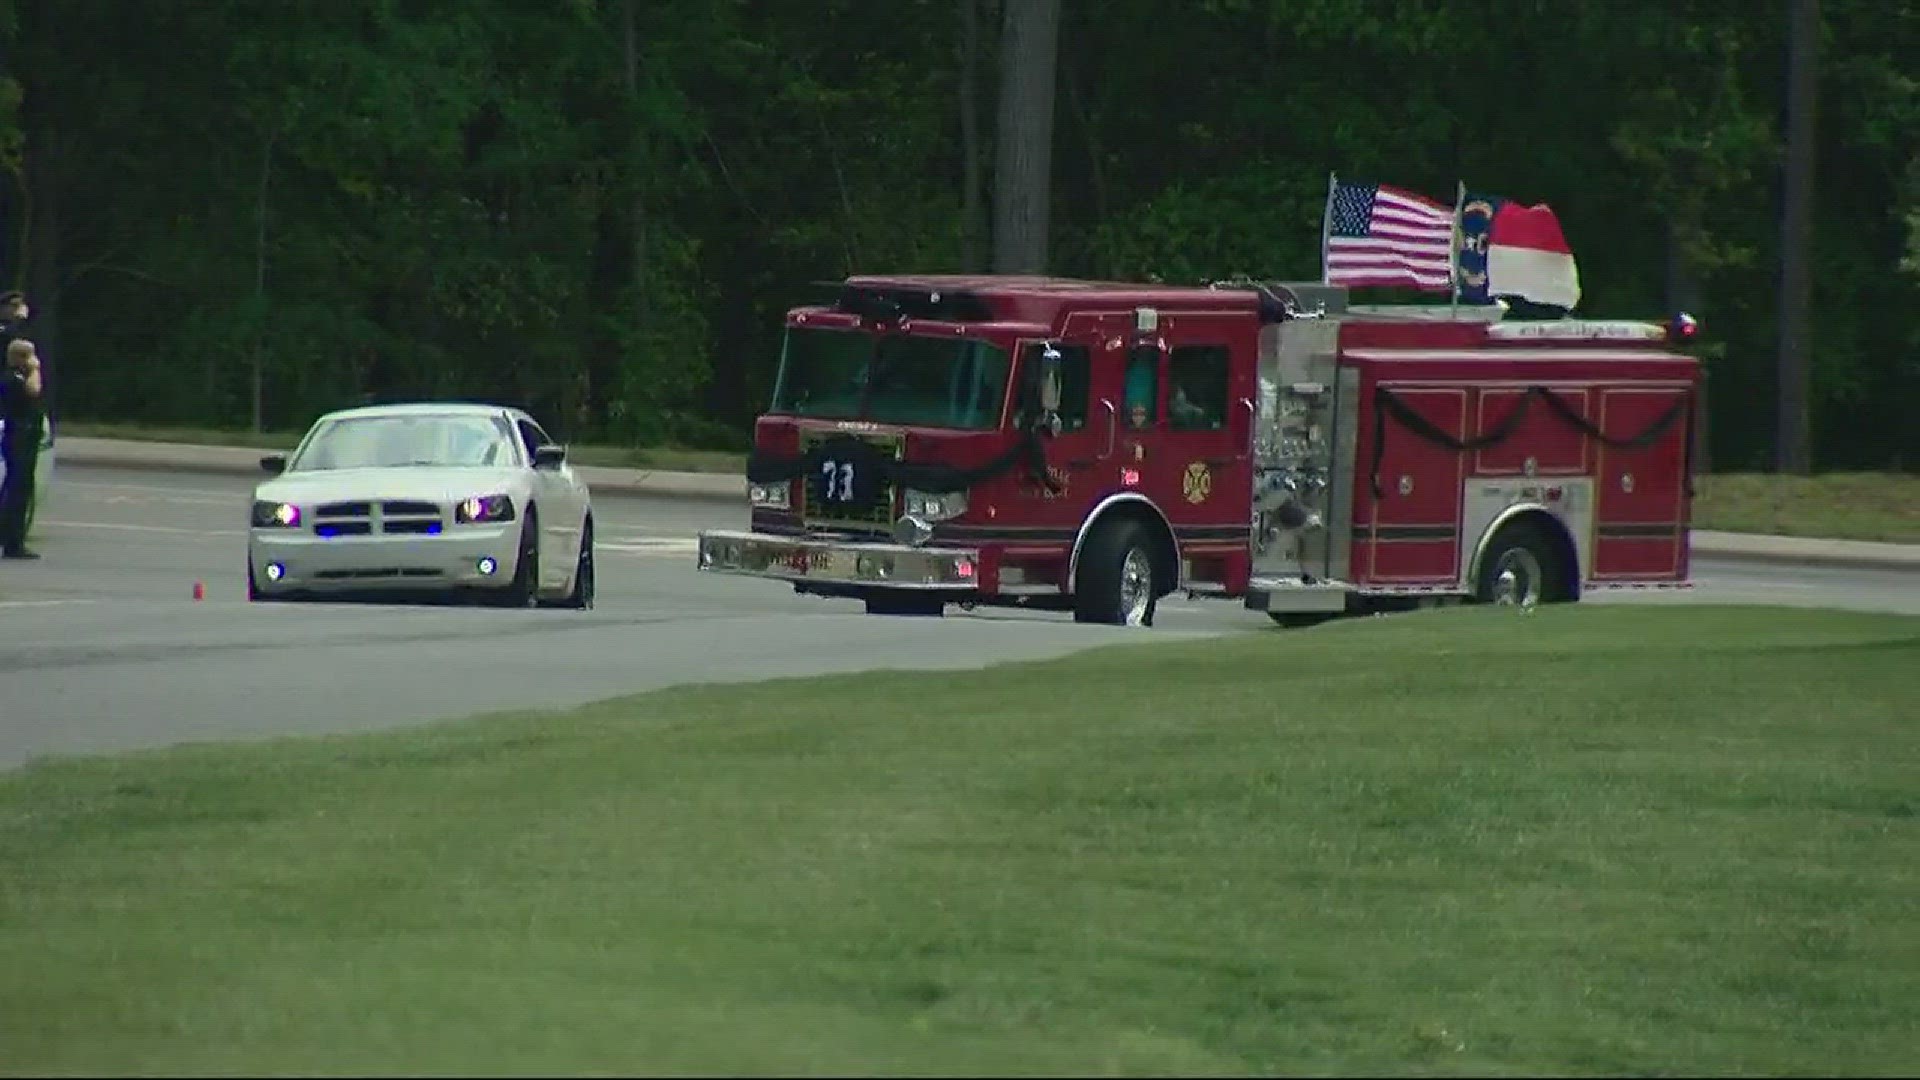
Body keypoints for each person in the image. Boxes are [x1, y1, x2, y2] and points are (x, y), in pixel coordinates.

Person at [0, 337, 46, 559]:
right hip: (19, 436)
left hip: (24, 436)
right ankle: (12, 541)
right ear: (19, 358)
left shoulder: (18, 375)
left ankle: (8, 533)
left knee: (19, 488)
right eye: (29, 355)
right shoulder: (13, 377)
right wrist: (35, 369)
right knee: (18, 489)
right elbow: (34, 390)